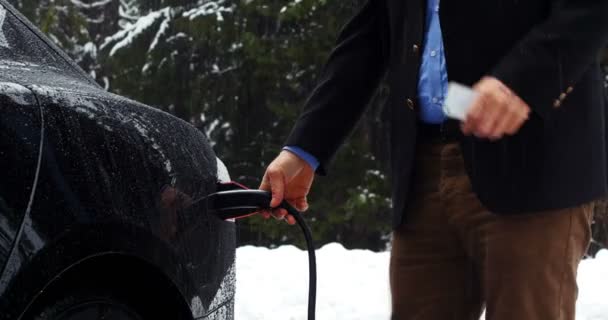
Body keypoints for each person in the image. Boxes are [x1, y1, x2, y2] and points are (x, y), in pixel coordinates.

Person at [259, 1, 608, 319]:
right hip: (422, 169)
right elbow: (370, 32)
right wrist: (304, 149)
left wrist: (523, 81)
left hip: (533, 160)